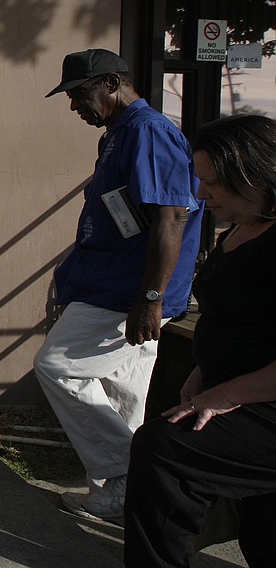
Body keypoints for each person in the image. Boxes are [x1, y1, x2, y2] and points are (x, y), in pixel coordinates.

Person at [35, 48, 202, 524]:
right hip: (113, 286)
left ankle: (135, 473)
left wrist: (150, 299)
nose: (74, 107)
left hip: (127, 293)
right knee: (123, 390)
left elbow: (171, 217)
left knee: (58, 366)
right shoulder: (120, 133)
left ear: (111, 82)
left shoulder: (148, 132)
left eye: (79, 94)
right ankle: (121, 498)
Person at [124, 113, 276, 567]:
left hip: (263, 403)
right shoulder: (241, 229)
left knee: (165, 450)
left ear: (253, 174)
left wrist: (225, 393)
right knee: (264, 528)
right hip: (240, 393)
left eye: (213, 181)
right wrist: (203, 372)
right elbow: (234, 321)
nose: (201, 192)